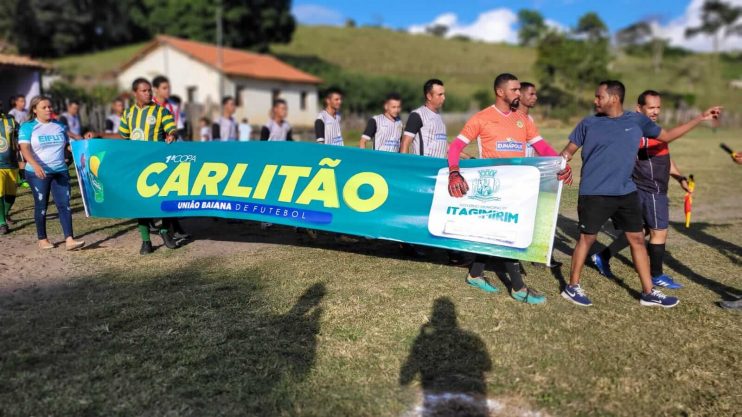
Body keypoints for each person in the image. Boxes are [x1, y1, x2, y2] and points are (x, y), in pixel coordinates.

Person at [559, 80, 721, 308]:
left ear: (614, 99)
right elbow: (567, 152)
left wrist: (700, 118)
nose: (595, 101)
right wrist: (562, 164)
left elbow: (667, 136)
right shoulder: (588, 123)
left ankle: (648, 292)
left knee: (637, 238)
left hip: (626, 192)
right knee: (587, 238)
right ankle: (572, 286)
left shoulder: (636, 121)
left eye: (599, 97)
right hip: (594, 192)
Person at [447, 73, 572, 304]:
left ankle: (475, 274)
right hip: (494, 190)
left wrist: (560, 164)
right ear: (500, 92)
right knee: (507, 234)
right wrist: (454, 172)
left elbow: (541, 146)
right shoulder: (482, 118)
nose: (519, 94)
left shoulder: (522, 120)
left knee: (496, 234)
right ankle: (518, 287)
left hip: (517, 188)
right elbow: (455, 147)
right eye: (515, 90)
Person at [591, 90, 701, 289]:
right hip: (650, 190)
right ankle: (656, 275)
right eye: (651, 107)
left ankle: (602, 256)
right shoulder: (635, 131)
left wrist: (680, 178)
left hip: (653, 189)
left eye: (658, 107)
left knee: (640, 231)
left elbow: (664, 155)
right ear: (639, 108)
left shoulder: (652, 129)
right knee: (660, 232)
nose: (655, 111)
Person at [94, 78, 181, 254]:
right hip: (137, 164)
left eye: (149, 90)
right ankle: (146, 241)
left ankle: (165, 231)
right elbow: (122, 137)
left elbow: (172, 129)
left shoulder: (161, 111)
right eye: (144, 91)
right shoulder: (128, 113)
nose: (148, 93)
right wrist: (98, 135)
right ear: (135, 93)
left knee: (164, 197)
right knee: (138, 201)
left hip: (158, 163)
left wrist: (171, 135)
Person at [18, 96, 85, 250]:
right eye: (44, 107)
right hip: (37, 173)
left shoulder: (59, 126)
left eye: (50, 107)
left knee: (65, 205)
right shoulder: (27, 127)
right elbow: (25, 149)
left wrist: (82, 142)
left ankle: (69, 239)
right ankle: (42, 239)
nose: (49, 109)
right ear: (35, 110)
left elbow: (69, 144)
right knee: (41, 206)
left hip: (60, 171)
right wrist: (34, 165)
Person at [400, 79, 447, 158]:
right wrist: (404, 167)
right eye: (440, 94)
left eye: (444, 94)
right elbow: (405, 143)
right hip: (423, 168)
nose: (444, 98)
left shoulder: (439, 117)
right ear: (429, 96)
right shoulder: (417, 115)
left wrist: (467, 157)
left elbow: (443, 144)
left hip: (439, 168)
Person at [0, 104, 19, 234]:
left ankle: (4, 214)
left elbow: (21, 137)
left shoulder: (11, 120)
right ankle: (2, 223)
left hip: (12, 164)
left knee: (11, 196)